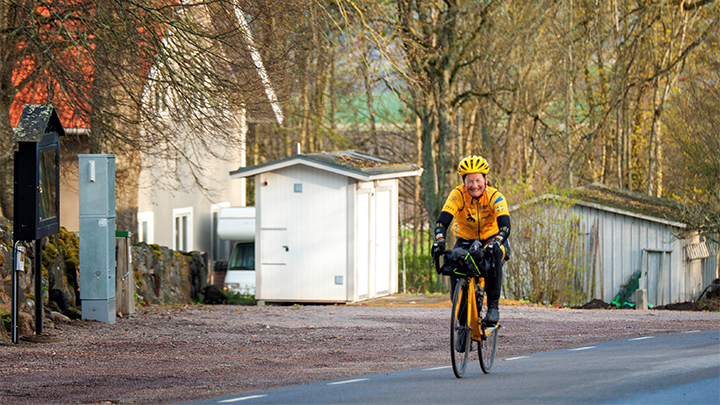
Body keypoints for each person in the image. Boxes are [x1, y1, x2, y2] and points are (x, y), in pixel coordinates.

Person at [431, 155, 511, 327]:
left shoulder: (495, 196)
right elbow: (442, 222)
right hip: (466, 239)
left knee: (494, 255)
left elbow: (505, 226)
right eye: (470, 181)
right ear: (463, 182)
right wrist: (439, 240)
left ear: (486, 179)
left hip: (493, 238)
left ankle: (493, 308)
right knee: (455, 264)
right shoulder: (458, 195)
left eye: (478, 180)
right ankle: (463, 324)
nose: (474, 185)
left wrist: (497, 241)